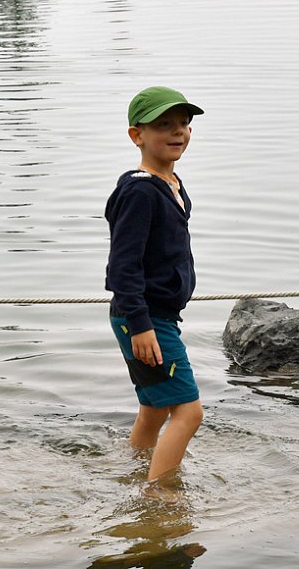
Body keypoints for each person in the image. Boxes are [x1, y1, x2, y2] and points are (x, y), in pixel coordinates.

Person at [104, 86, 205, 484]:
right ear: (137, 135)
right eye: (164, 124)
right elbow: (122, 267)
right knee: (188, 412)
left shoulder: (170, 183)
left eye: (183, 124)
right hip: (146, 319)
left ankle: (135, 471)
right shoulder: (140, 191)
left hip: (154, 317)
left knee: (154, 409)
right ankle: (159, 495)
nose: (178, 132)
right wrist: (142, 324)